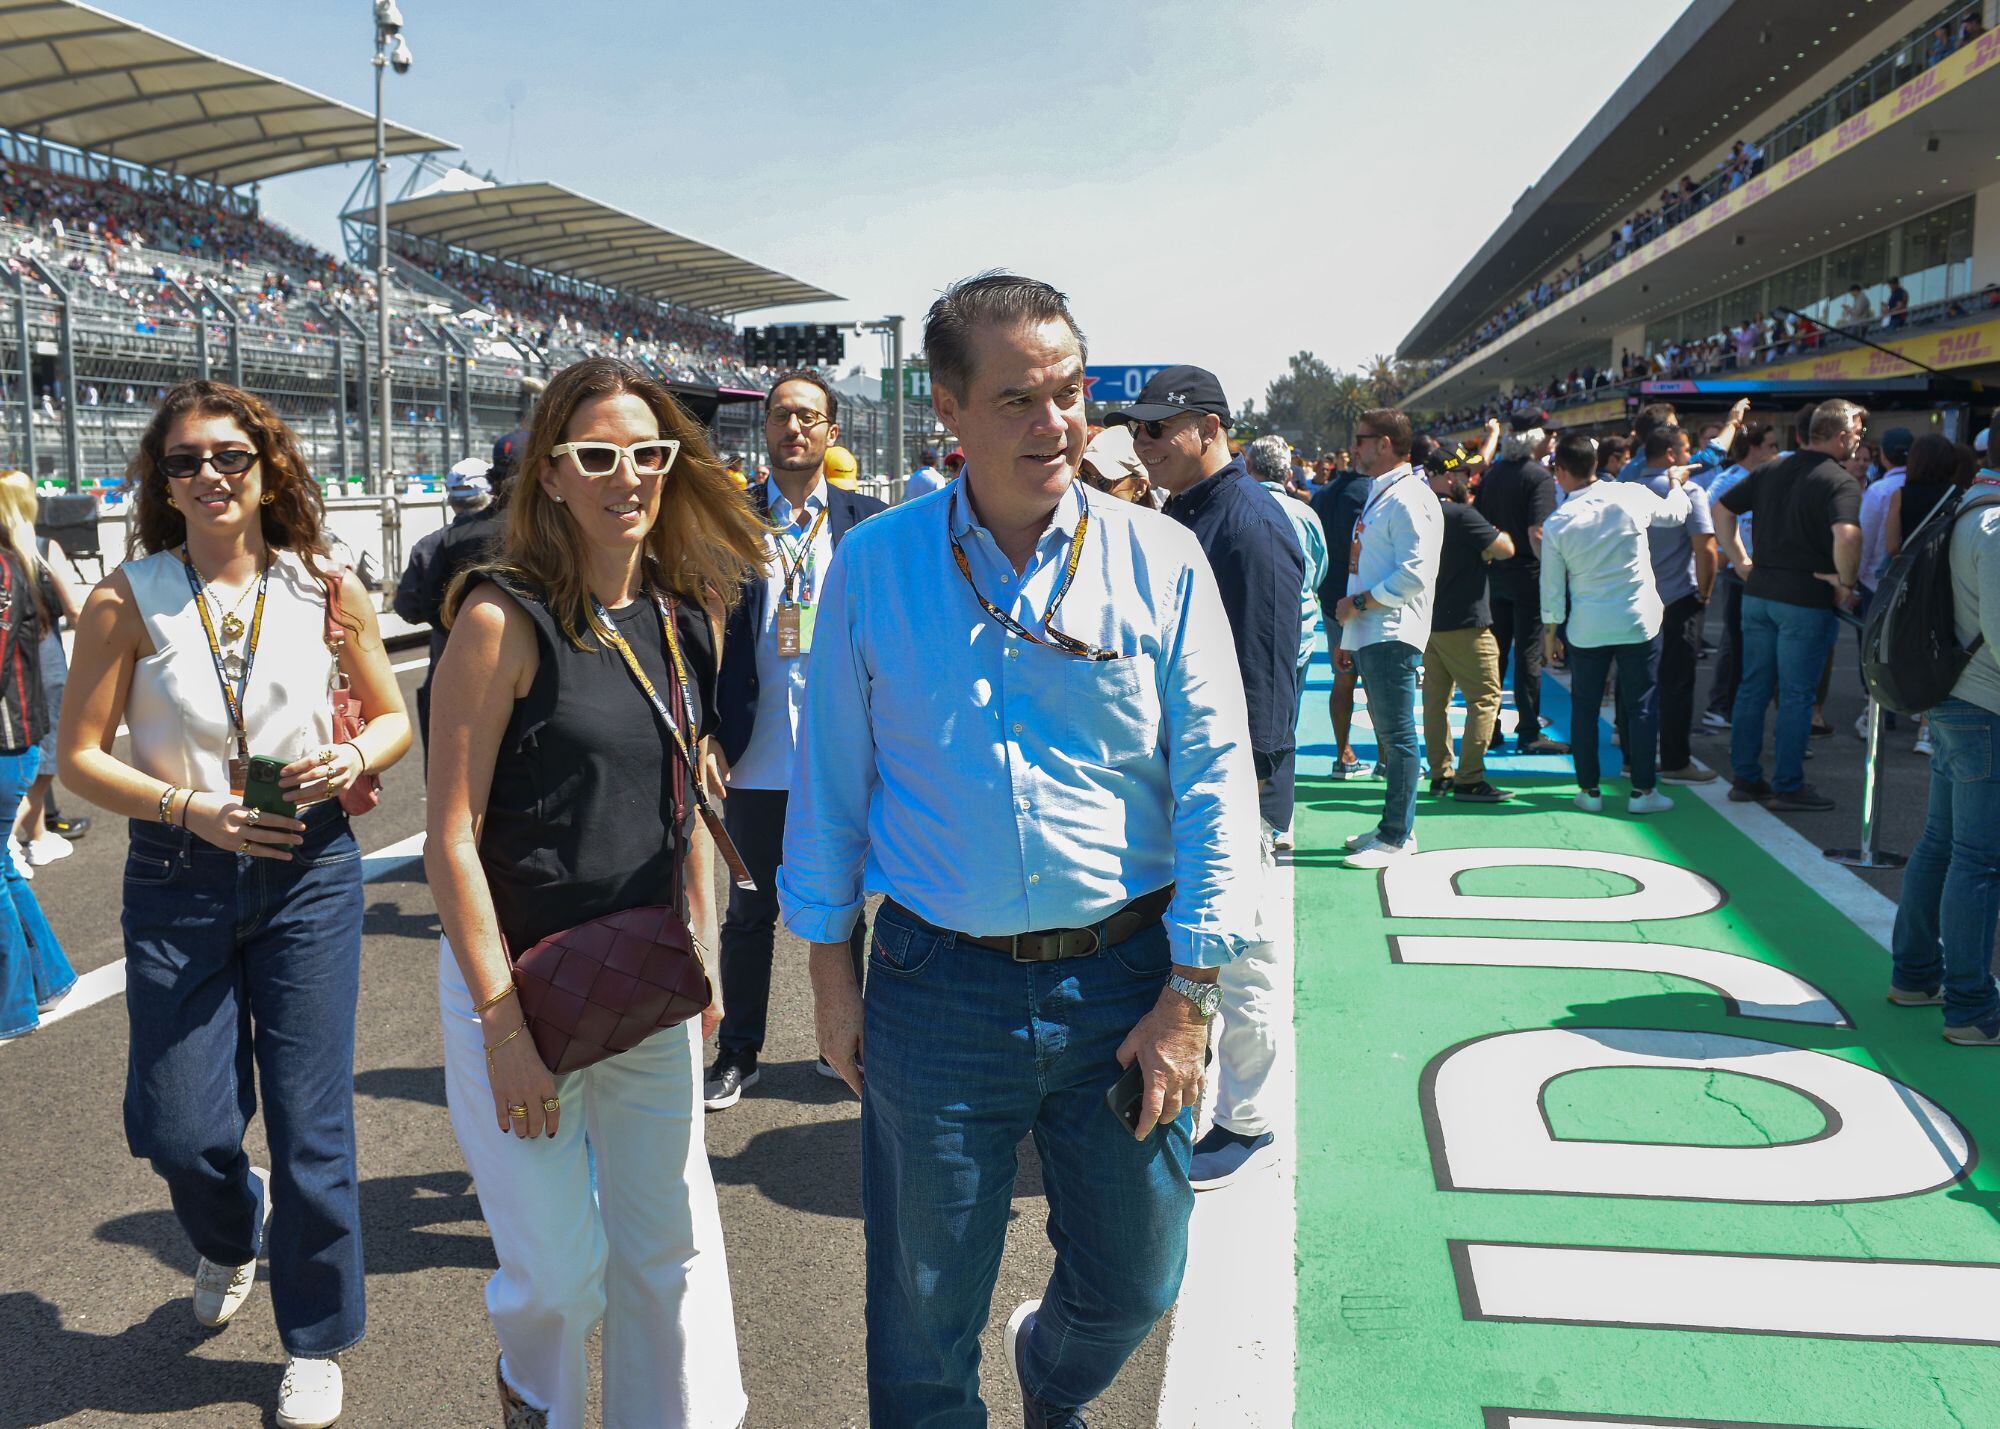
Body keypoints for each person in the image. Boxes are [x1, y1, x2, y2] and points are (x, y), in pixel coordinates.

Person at [780, 274, 1258, 1425]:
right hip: (936, 984)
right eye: (1015, 399)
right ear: (946, 408)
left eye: (1068, 393)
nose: (1054, 424)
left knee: (1137, 1278)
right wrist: (827, 966)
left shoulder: (1158, 559)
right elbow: (833, 779)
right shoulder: (878, 564)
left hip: (1127, 979)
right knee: (920, 1318)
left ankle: (1052, 1374)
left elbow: (1213, 781)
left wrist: (1191, 993)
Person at [59, 379, 413, 1429]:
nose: (208, 475)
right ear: (159, 481)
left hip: (310, 866)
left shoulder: (322, 584)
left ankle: (314, 1340)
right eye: (184, 461)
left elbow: (393, 719)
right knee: (179, 1126)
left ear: (266, 469)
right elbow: (78, 756)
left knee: (314, 1126)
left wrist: (350, 750)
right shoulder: (128, 595)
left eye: (228, 457)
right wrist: (187, 808)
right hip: (179, 869)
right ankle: (227, 1224)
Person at [424, 357, 764, 1427]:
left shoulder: (680, 619)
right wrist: (502, 1027)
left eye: (650, 453)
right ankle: (536, 1399)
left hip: (645, 975)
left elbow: (685, 810)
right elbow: (447, 838)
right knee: (559, 1278)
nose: (630, 476)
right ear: (551, 474)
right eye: (599, 456)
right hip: (517, 986)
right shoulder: (499, 617)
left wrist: (701, 954)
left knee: (662, 1259)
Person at [1120, 368, 1302, 1190]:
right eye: (1138, 428)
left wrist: (1250, 806)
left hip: (1236, 786)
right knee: (1195, 953)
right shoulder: (1190, 512)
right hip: (1184, 773)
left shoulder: (1249, 523)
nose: (1141, 443)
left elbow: (1265, 684)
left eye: (1158, 429)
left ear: (1208, 425)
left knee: (1244, 958)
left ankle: (1249, 1119)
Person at [704, 371, 885, 1111]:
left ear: (832, 433)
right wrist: (709, 731)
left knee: (847, 900)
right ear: (767, 430)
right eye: (782, 415)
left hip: (845, 752)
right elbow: (697, 629)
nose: (795, 428)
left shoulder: (867, 521)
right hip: (757, 754)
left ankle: (841, 1039)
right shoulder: (731, 518)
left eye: (809, 416)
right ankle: (738, 1052)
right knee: (750, 908)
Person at [1888, 464, 2000, 1042]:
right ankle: (1973, 1007)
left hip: (1952, 694)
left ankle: (1914, 974)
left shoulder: (1964, 508)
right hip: (1985, 704)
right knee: (1978, 860)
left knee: (1942, 844)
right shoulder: (1997, 524)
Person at [1714, 399, 1866, 812]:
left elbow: (1722, 507)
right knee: (1797, 694)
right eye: (1857, 433)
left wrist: (1740, 558)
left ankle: (1745, 777)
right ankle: (1788, 783)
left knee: (1753, 687)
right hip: (1805, 597)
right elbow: (1848, 535)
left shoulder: (1772, 468)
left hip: (1760, 590)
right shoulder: (1838, 480)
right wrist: (1846, 581)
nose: (1858, 440)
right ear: (1840, 435)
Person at [1539, 433, 1693, 815]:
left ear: (1560, 471)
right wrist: (1676, 482)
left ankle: (1588, 790)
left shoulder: (1558, 521)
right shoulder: (1630, 494)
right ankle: (1643, 791)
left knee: (1584, 708)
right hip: (1638, 620)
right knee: (1641, 706)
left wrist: (1550, 634)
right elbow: (1677, 513)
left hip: (1588, 626)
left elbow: (1552, 588)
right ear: (1597, 464)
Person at [1333, 408, 1442, 868]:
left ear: (1385, 443)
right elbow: (1367, 564)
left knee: (1397, 737)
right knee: (1388, 732)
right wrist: (1351, 628)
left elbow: (1415, 573)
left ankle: (1398, 835)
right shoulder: (1386, 493)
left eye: (1361, 439)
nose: (1354, 447)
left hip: (1392, 629)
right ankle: (1390, 827)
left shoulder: (1409, 497)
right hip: (1373, 628)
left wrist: (1358, 608)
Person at [0, 484, 73, 1041]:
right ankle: (50, 979)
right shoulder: (17, 559)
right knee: (2, 870)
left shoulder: (6, 568)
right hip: (16, 741)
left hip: (8, 743)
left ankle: (13, 1008)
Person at [1620, 425, 1717, 785]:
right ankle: (1676, 760)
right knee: (1676, 684)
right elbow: (1705, 548)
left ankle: (1632, 756)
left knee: (1634, 681)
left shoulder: (1625, 492)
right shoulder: (1689, 490)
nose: (1691, 457)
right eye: (1688, 449)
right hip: (1677, 599)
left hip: (1635, 597)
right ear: (1672, 454)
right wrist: (1705, 593)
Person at [1244, 433, 1328, 849]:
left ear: (1252, 467)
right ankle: (1280, 816)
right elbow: (1320, 571)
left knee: (1250, 724)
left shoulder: (1241, 507)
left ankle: (1259, 813)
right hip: (1300, 633)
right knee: (1285, 724)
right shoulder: (1305, 514)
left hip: (1255, 635)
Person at [0, 471, 86, 868]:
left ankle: (36, 836)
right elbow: (75, 610)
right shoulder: (39, 548)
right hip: (42, 659)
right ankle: (11, 839)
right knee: (45, 755)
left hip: (13, 664)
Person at [1419, 441, 1513, 802]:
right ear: (1447, 476)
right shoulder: (1461, 514)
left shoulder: (1422, 511)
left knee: (1435, 703)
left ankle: (1441, 773)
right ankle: (1469, 777)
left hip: (1430, 623)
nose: (1469, 479)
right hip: (1467, 623)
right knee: (1485, 698)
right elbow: (1505, 548)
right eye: (1463, 473)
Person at [392, 455, 504, 756]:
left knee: (448, 764)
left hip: (447, 658)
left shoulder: (432, 544)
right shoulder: (513, 535)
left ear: (451, 499)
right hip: (508, 661)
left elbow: (407, 607)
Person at [1473, 411, 1567, 754]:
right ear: (1537, 438)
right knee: (1528, 655)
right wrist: (1553, 573)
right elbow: (1538, 532)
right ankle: (1528, 732)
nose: (1553, 440)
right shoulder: (1539, 477)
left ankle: (1490, 727)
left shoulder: (1494, 473)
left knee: (1494, 656)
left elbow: (1481, 523)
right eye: (1549, 434)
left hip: (1495, 573)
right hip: (1527, 572)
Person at [1703, 422, 1782, 732]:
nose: (1776, 452)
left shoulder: (1773, 477)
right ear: (1754, 448)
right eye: (1771, 446)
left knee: (1759, 645)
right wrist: (1730, 561)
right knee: (1735, 641)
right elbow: (1710, 526)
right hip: (1738, 574)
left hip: (1767, 572)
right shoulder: (1727, 482)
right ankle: (1720, 705)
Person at [1310, 451, 1372, 776]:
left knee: (1343, 677)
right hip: (1363, 598)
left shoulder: (1323, 494)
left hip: (1332, 596)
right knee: (1376, 681)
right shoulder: (1371, 493)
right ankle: (1389, 760)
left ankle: (1342, 755)